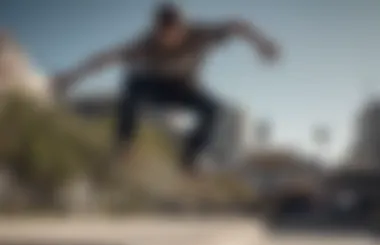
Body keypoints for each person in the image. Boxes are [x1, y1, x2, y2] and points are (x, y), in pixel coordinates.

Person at [53, 2, 281, 177]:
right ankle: (124, 145)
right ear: (156, 31)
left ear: (182, 27)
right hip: (154, 87)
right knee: (131, 86)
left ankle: (189, 158)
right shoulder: (145, 44)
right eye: (163, 36)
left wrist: (262, 44)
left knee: (214, 110)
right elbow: (106, 58)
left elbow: (238, 26)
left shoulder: (201, 33)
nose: (169, 40)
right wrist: (72, 76)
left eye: (174, 34)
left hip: (185, 89)